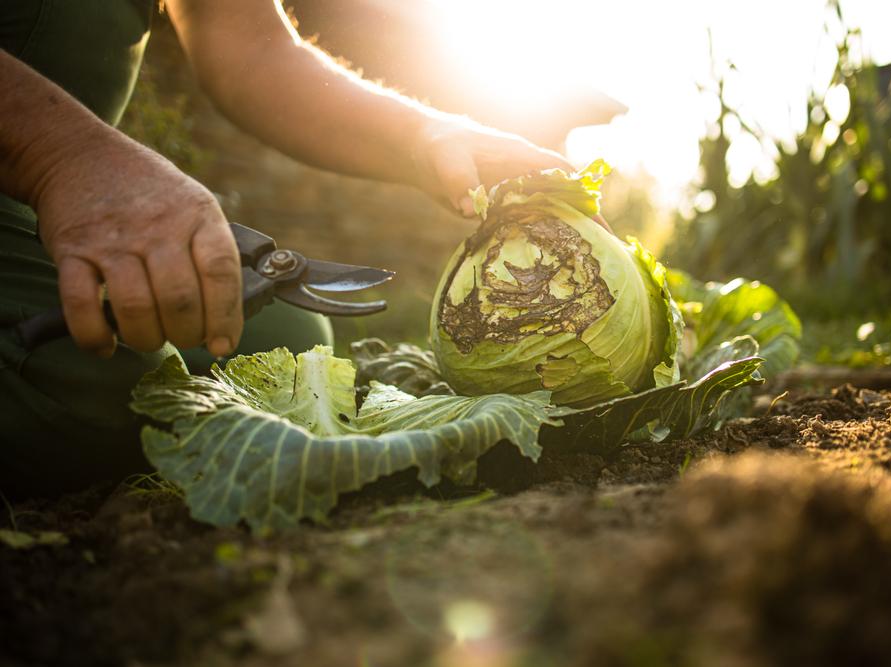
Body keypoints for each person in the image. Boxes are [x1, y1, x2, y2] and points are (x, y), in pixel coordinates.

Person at [0, 0, 574, 497]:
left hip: (50, 215)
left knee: (290, 345)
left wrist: (422, 135)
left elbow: (253, 50)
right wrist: (59, 153)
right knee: (102, 385)